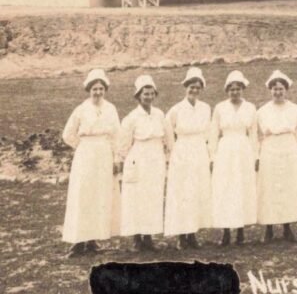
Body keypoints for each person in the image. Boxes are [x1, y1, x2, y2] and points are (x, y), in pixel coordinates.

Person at [62, 68, 121, 257]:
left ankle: (93, 240)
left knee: (99, 196)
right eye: (94, 89)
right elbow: (67, 134)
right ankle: (78, 242)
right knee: (83, 196)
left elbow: (116, 136)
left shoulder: (110, 109)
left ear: (105, 90)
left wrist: (116, 158)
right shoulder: (81, 109)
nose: (98, 92)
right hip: (85, 156)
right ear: (89, 89)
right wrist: (82, 147)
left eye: (101, 89)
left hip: (104, 155)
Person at [163, 67, 212, 250]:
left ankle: (192, 234)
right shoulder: (175, 110)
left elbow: (208, 132)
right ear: (186, 87)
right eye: (191, 87)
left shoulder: (205, 108)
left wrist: (207, 152)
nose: (194, 90)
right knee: (182, 193)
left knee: (195, 192)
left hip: (199, 151)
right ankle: (181, 235)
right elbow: (168, 133)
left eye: (198, 87)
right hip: (182, 151)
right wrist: (173, 152)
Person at [209, 70, 259, 246]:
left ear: (243, 89)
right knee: (226, 189)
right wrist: (212, 156)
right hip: (226, 151)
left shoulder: (250, 108)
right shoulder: (220, 108)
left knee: (241, 188)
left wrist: (255, 155)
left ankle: (240, 232)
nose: (235, 92)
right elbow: (214, 133)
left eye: (238, 88)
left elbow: (253, 133)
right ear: (227, 90)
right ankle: (226, 232)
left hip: (244, 150)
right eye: (231, 89)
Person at [119, 75, 167, 252]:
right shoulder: (131, 118)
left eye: (151, 93)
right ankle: (136, 239)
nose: (148, 96)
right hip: (138, 158)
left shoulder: (160, 114)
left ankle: (149, 237)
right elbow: (123, 145)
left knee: (152, 198)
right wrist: (126, 162)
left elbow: (167, 138)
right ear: (138, 96)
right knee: (136, 199)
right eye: (145, 93)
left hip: (155, 159)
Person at [256, 70, 297, 243]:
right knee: (269, 187)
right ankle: (268, 228)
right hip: (270, 148)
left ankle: (287, 227)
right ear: (270, 90)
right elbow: (259, 134)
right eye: (275, 89)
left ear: (286, 90)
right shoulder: (262, 111)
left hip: (288, 148)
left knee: (287, 187)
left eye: (281, 88)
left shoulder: (295, 109)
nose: (278, 92)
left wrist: (292, 145)